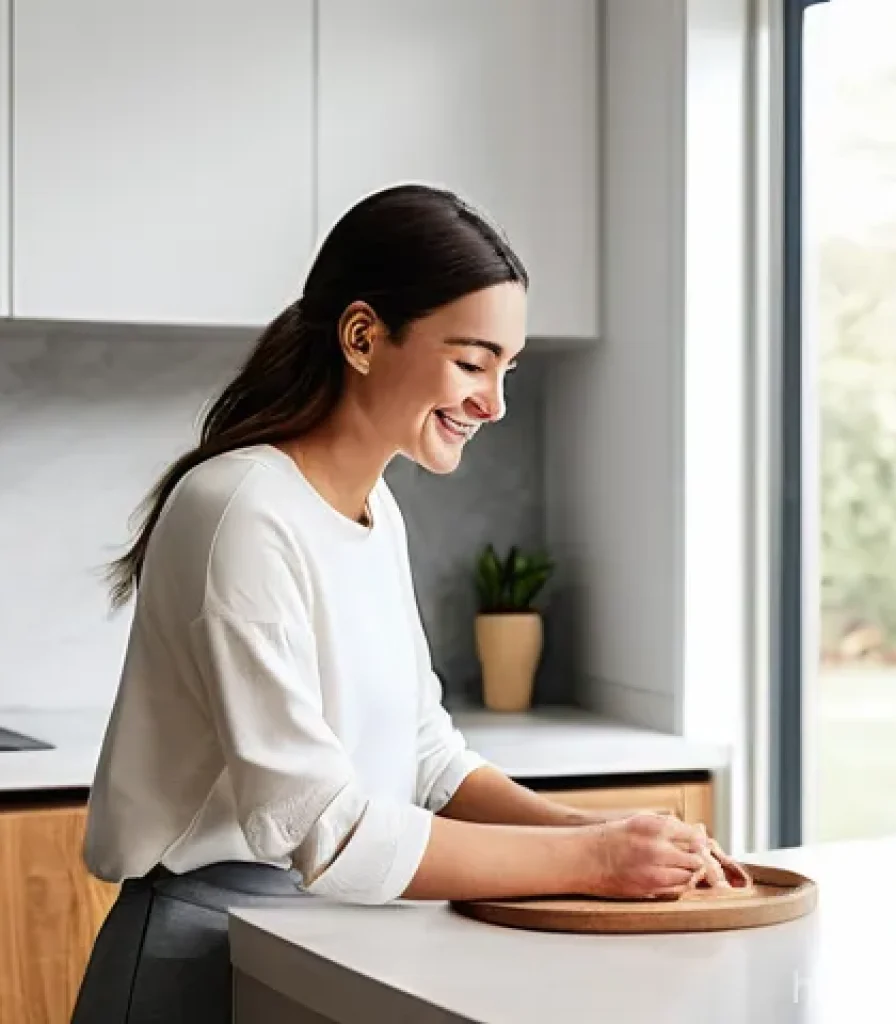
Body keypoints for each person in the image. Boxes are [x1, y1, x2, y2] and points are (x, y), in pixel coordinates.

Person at [70, 184, 738, 1024]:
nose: (493, 402)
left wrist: (600, 832)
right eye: (471, 361)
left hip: (339, 944)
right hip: (210, 953)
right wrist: (592, 858)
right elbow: (323, 828)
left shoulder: (376, 510)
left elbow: (429, 760)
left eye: (507, 368)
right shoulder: (238, 508)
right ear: (362, 336)